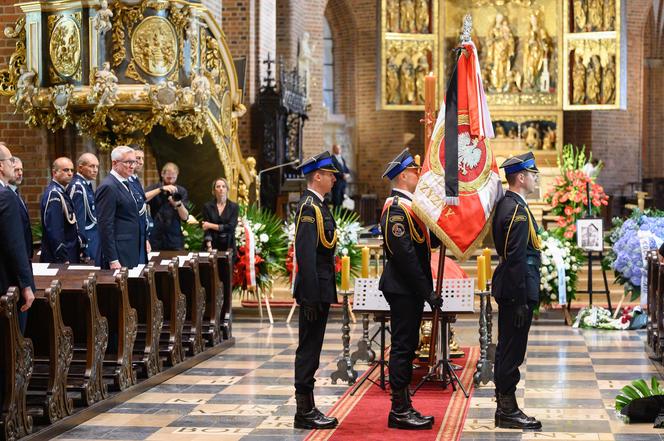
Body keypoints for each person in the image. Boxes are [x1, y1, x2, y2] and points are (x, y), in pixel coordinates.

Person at [379, 148, 441, 430]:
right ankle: (399, 410)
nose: (418, 173)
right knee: (403, 348)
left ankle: (404, 406)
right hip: (404, 288)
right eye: (414, 170)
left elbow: (425, 244)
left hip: (409, 288)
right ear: (403, 175)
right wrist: (426, 290)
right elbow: (404, 256)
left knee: (407, 345)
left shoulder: (410, 206)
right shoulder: (395, 209)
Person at [491, 151, 542, 430]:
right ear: (520, 178)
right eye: (532, 175)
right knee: (512, 350)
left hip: (514, 288)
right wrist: (521, 300)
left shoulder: (512, 205)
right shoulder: (515, 211)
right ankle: (508, 410)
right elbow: (515, 259)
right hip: (515, 290)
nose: (535, 180)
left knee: (509, 348)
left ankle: (505, 407)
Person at [292, 151, 339, 430]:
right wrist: (309, 296)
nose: (334, 179)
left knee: (313, 348)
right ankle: (304, 411)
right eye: (330, 174)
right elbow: (305, 255)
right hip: (314, 291)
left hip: (319, 288)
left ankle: (307, 408)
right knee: (308, 349)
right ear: (317, 176)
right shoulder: (309, 208)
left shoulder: (319, 205)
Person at [0, 144, 34, 333]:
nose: (14, 165)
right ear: (1, 166)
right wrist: (26, 285)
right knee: (12, 341)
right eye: (11, 161)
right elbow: (15, 244)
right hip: (7, 281)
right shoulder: (6, 196)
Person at [96, 146, 145, 269]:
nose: (132, 166)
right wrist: (112, 259)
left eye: (134, 162)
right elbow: (105, 225)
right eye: (128, 162)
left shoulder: (126, 183)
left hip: (129, 249)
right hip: (118, 252)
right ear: (114, 163)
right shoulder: (109, 186)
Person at [40, 157, 82, 263]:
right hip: (61, 257)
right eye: (65, 170)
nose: (70, 173)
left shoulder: (62, 191)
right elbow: (55, 229)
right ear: (54, 172)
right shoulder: (54, 194)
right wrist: (62, 256)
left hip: (70, 252)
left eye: (72, 170)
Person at [146, 162, 189, 251]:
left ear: (177, 175)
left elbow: (185, 217)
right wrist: (160, 190)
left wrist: (178, 204)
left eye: (173, 176)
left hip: (174, 238)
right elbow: (142, 198)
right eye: (168, 176)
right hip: (156, 237)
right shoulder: (155, 188)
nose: (170, 179)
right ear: (162, 174)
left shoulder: (181, 191)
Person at [68, 153, 101, 265]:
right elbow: (77, 219)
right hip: (87, 239)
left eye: (97, 166)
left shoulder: (86, 185)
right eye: (91, 166)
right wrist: (82, 246)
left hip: (93, 238)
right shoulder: (77, 187)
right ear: (80, 168)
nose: (95, 170)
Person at [202, 178, 239, 253]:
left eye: (223, 186)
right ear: (214, 191)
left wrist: (211, 225)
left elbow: (231, 227)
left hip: (229, 245)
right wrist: (209, 246)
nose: (221, 189)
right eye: (218, 186)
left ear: (227, 190)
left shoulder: (234, 206)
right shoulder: (207, 206)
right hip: (212, 244)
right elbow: (206, 228)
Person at [8, 156, 33, 262]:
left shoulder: (16, 193)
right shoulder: (6, 195)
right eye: (16, 170)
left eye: (21, 169)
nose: (20, 173)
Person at [130, 147, 152, 262]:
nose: (141, 162)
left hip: (140, 234)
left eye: (142, 159)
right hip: (132, 237)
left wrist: (145, 237)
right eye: (138, 158)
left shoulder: (135, 180)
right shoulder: (127, 181)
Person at [330, 144, 351, 210]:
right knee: (336, 201)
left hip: (343, 184)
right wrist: (342, 175)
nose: (339, 150)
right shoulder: (332, 158)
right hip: (336, 183)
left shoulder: (342, 158)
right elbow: (333, 170)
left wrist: (348, 174)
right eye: (337, 148)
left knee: (342, 201)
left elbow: (346, 168)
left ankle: (341, 218)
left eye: (340, 148)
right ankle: (336, 218)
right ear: (334, 149)